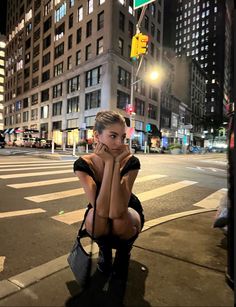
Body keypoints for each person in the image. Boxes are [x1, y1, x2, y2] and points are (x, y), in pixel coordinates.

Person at [73, 110, 144, 280]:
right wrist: (110, 162)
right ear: (97, 136)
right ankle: (104, 251)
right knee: (95, 219)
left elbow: (117, 211)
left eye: (123, 137)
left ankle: (123, 252)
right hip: (99, 209)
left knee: (120, 220)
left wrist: (115, 162)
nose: (119, 143)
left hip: (127, 208)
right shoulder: (83, 164)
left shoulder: (131, 162)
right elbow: (103, 210)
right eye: (113, 136)